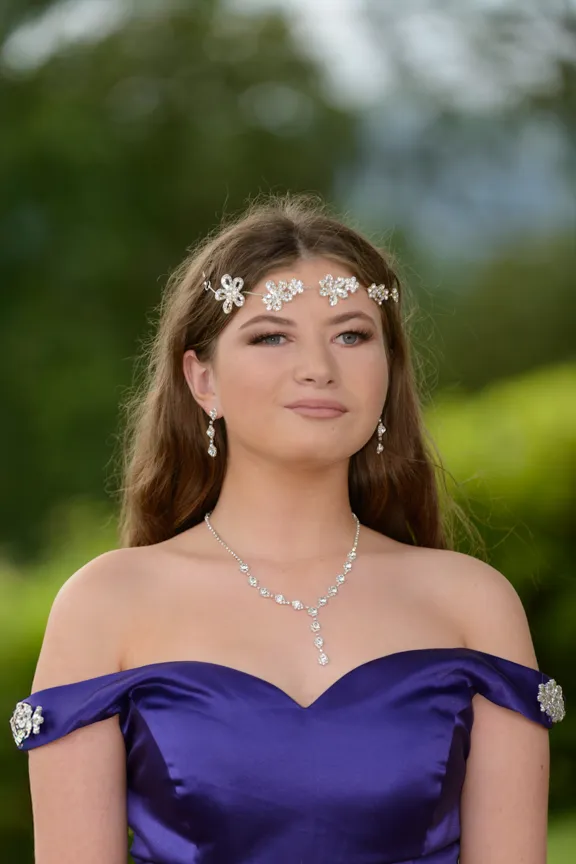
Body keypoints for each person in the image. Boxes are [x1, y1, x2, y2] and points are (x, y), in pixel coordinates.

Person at [10, 193, 565, 864]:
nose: (318, 368)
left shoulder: (472, 604)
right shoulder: (107, 606)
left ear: (389, 373)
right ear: (202, 378)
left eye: (352, 335)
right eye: (272, 335)